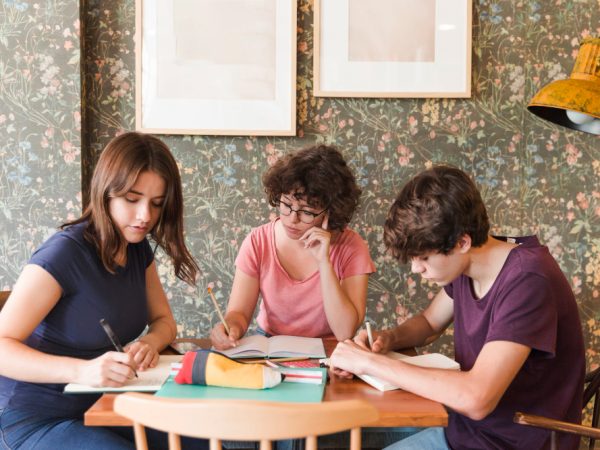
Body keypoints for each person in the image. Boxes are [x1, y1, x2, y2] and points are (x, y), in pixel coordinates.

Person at [330, 165, 585, 450]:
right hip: (465, 430)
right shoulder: (468, 267)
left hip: (510, 443)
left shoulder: (528, 280)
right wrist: (387, 338)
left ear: (462, 241)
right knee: (338, 434)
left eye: (424, 257)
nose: (416, 269)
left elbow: (476, 399)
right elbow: (428, 324)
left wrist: (369, 363)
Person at [0, 132, 205, 449]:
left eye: (156, 204)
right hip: (30, 418)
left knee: (216, 436)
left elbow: (164, 320)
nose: (145, 217)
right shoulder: (64, 254)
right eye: (132, 200)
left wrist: (150, 343)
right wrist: (82, 371)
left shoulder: (136, 248)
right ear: (105, 192)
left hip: (100, 408)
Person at [210, 144, 375, 348]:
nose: (292, 219)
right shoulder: (257, 241)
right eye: (286, 204)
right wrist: (231, 328)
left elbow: (344, 331)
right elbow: (239, 314)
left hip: (329, 349)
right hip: (271, 345)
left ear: (330, 211)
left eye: (307, 211)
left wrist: (324, 262)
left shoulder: (352, 247)